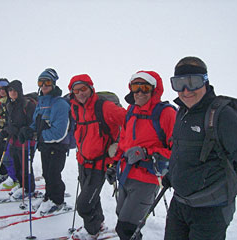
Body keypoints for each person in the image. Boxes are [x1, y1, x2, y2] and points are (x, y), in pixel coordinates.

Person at [163, 56, 237, 240]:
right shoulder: (183, 112)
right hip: (180, 205)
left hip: (210, 210)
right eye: (179, 83)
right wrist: (171, 176)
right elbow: (181, 150)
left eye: (193, 82)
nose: (185, 90)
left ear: (206, 81)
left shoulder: (222, 114)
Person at [109, 71, 176, 240]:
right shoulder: (131, 110)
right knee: (122, 217)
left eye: (144, 88)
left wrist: (147, 152)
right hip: (125, 174)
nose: (139, 93)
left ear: (154, 90)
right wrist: (113, 164)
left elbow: (177, 151)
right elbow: (123, 140)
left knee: (127, 228)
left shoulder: (166, 113)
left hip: (147, 179)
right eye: (135, 88)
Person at [67, 74, 126, 240]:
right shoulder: (76, 107)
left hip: (100, 164)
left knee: (84, 205)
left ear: (91, 88)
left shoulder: (104, 106)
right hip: (83, 161)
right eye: (76, 90)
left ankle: (93, 232)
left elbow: (130, 122)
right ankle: (97, 224)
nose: (80, 93)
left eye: (83, 89)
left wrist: (119, 146)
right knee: (91, 198)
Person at [19, 68, 70, 214]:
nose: (43, 85)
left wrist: (39, 136)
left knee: (54, 174)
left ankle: (58, 201)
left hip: (58, 145)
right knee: (47, 173)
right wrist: (29, 130)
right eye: (40, 82)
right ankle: (49, 197)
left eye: (47, 82)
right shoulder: (41, 102)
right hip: (45, 144)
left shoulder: (60, 104)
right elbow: (37, 122)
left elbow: (59, 132)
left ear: (53, 83)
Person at [0, 80, 37, 199]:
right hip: (14, 140)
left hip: (25, 140)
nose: (12, 92)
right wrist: (6, 130)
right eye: (10, 90)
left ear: (19, 91)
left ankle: (29, 189)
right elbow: (10, 122)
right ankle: (21, 185)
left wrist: (21, 130)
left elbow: (32, 123)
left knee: (26, 167)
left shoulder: (27, 104)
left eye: (15, 90)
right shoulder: (10, 105)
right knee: (16, 165)